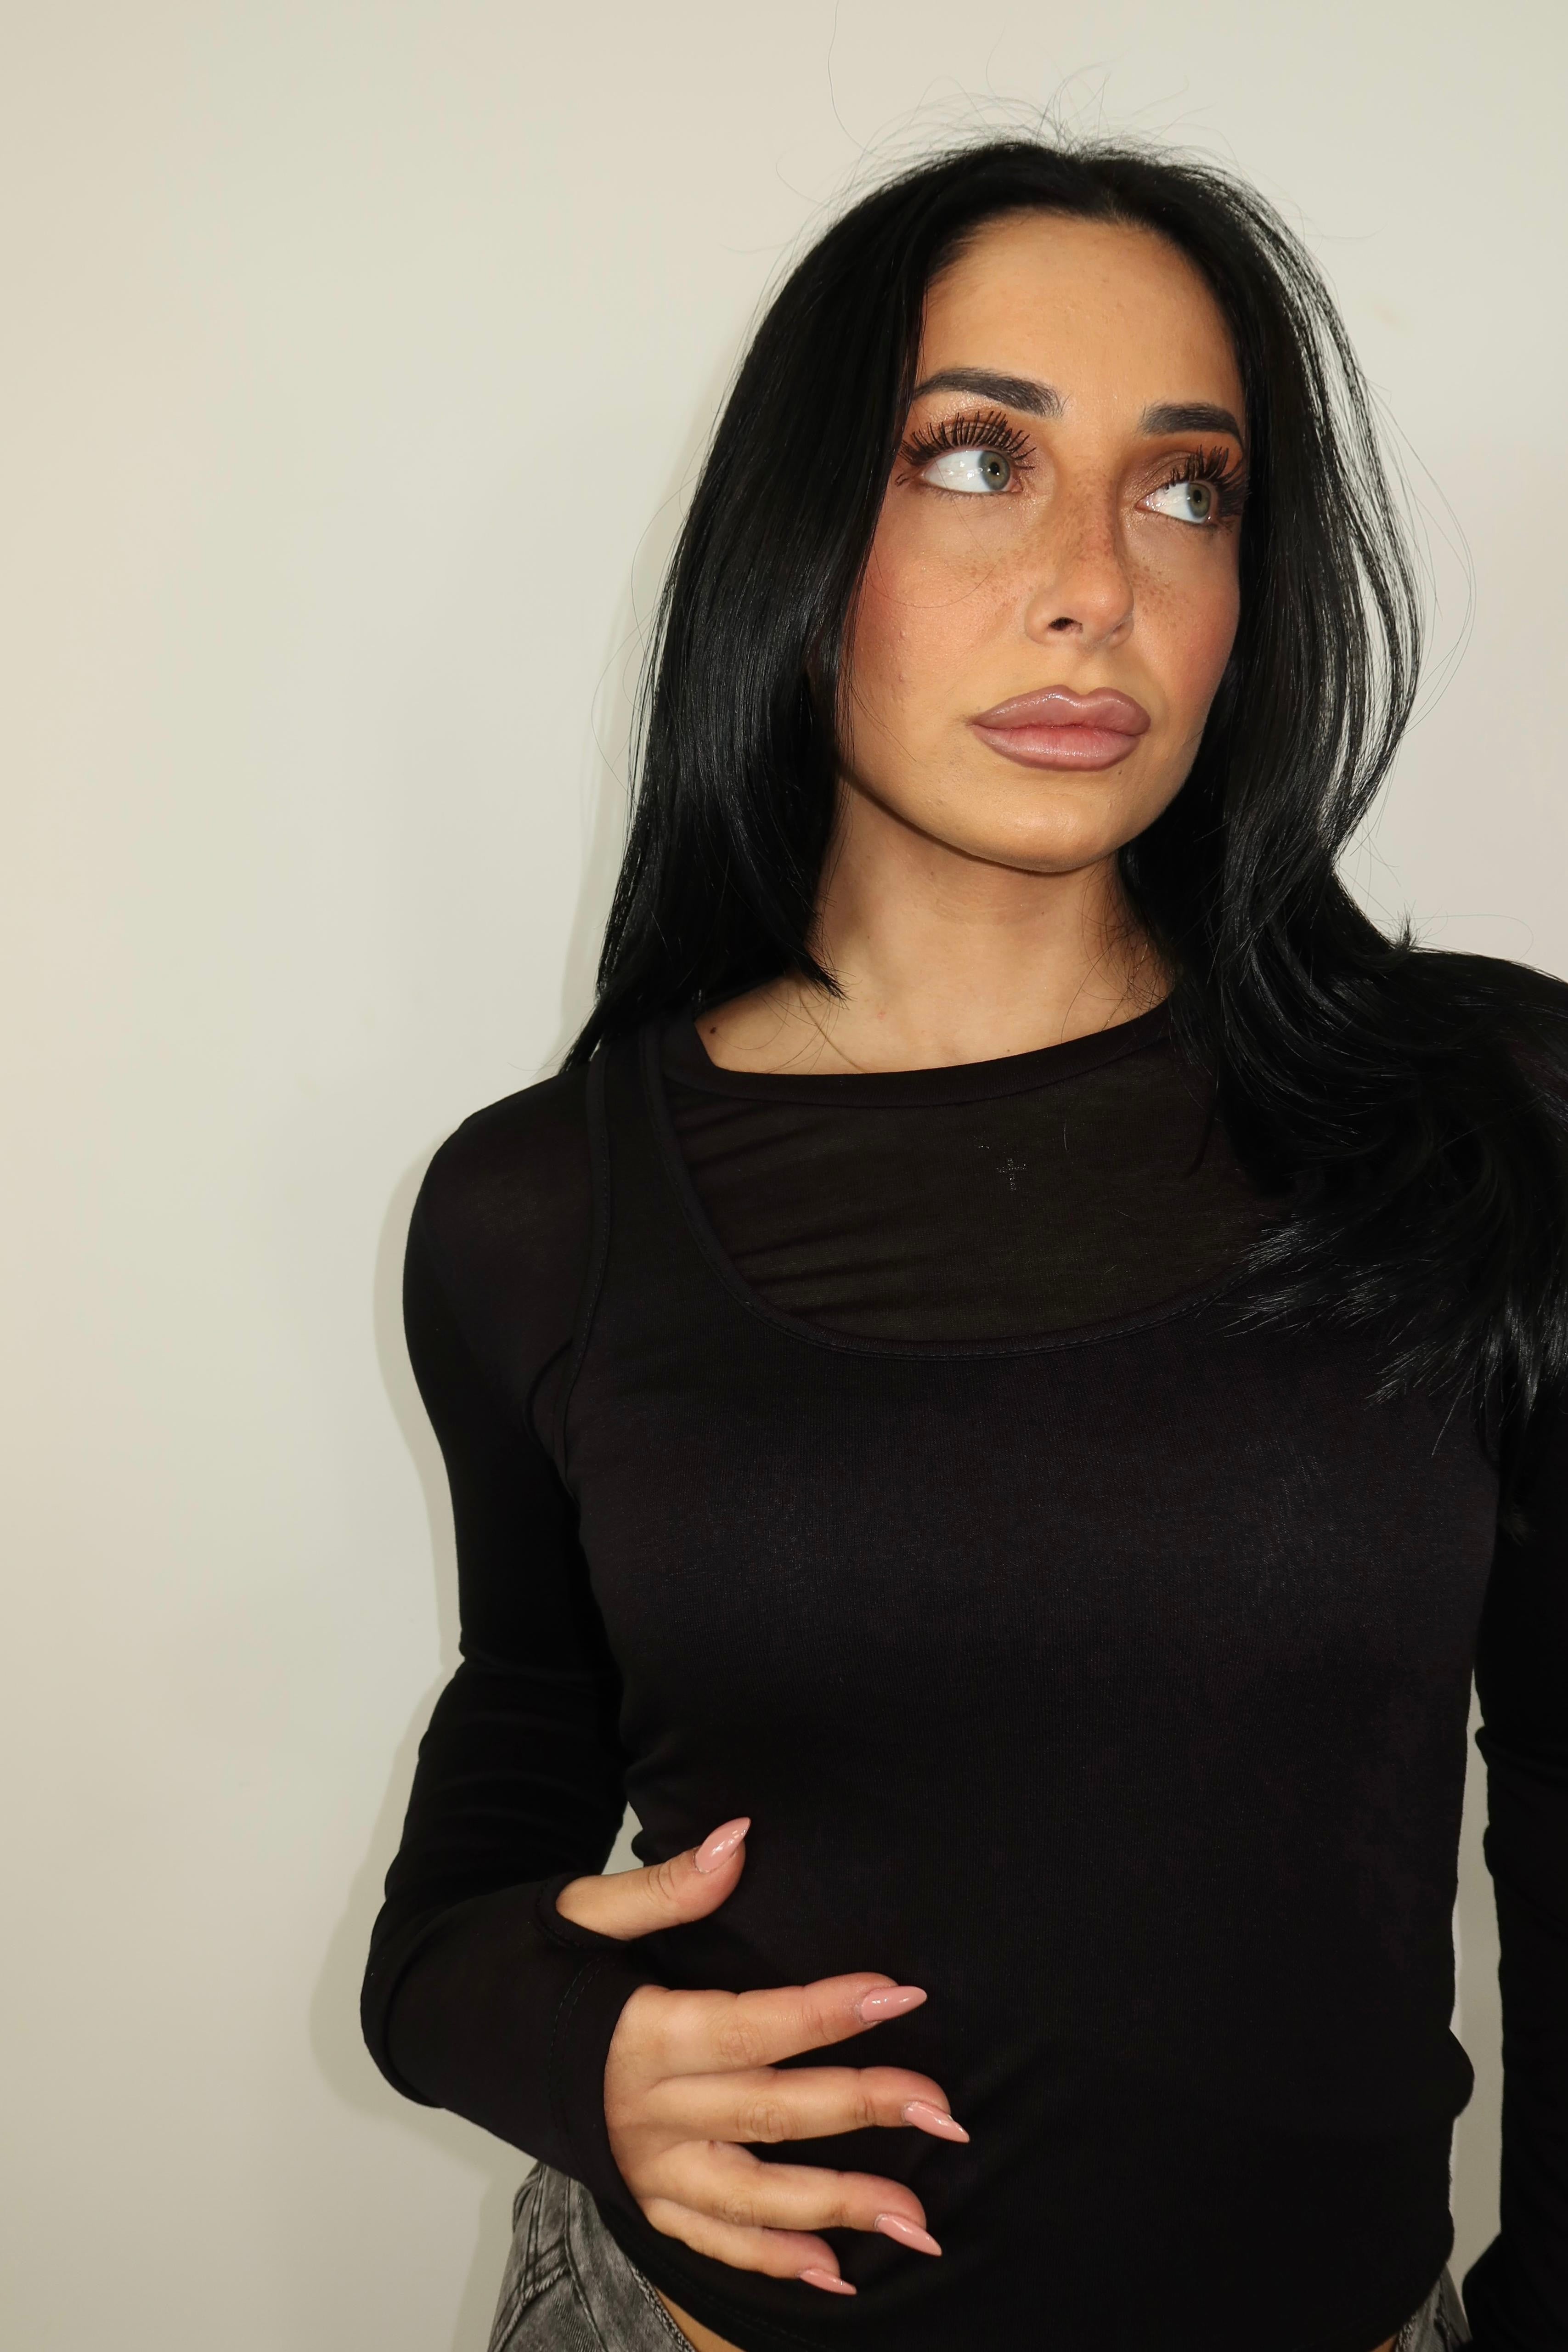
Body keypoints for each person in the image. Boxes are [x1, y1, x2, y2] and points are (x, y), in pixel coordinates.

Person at [360, 136, 1568, 2352]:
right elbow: (527, 1713)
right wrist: (524, 2024)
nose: (1093, 581)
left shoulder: (1485, 1114)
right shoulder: (542, 1209)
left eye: (1185, 488)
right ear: (798, 531)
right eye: (976, 457)